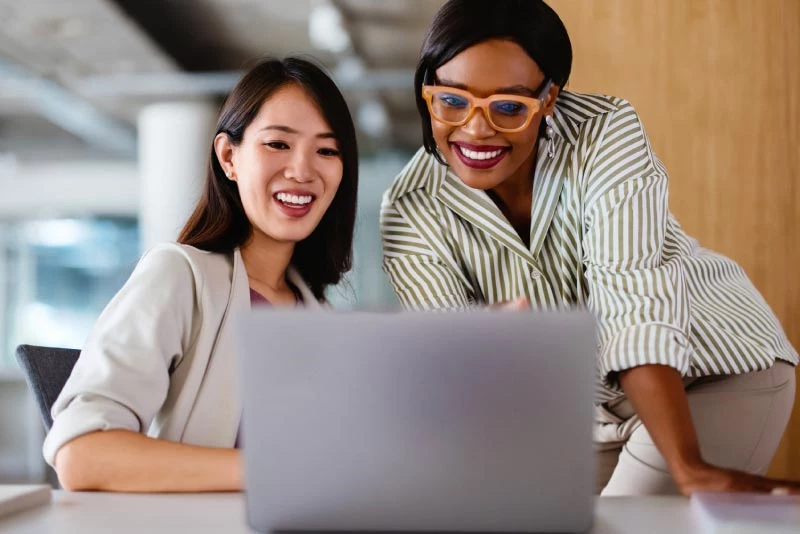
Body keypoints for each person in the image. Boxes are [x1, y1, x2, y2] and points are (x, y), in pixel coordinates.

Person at [380, 0, 799, 496]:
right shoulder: (410, 208)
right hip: (591, 411)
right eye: (451, 100)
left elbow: (633, 303)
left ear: (549, 98)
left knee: (628, 520)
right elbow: (457, 366)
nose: (475, 129)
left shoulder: (604, 133)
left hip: (713, 373)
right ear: (427, 90)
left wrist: (688, 467)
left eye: (509, 107)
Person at [44, 56, 359, 492]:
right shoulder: (179, 275)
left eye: (327, 151)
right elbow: (82, 454)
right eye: (278, 144)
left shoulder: (318, 312)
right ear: (229, 157)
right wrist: (273, 471)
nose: (302, 170)